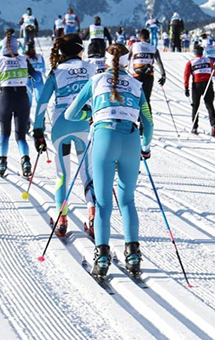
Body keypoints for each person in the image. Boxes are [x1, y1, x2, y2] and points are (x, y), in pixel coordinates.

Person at [65, 44, 153, 278]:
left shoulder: (95, 81)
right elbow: (148, 121)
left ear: (105, 60)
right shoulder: (137, 84)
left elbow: (70, 114)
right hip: (131, 139)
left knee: (103, 202)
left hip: (104, 137)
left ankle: (102, 256)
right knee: (127, 200)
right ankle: (133, 255)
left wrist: (91, 115)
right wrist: (145, 148)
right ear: (127, 62)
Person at [33, 34, 95, 237]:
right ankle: (93, 218)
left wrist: (38, 130)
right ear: (79, 49)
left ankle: (62, 220)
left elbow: (42, 103)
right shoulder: (92, 68)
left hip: (60, 126)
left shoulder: (55, 71)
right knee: (87, 174)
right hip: (84, 124)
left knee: (62, 175)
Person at [0, 29, 42, 178]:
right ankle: (26, 163)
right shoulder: (24, 60)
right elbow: (36, 77)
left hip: (5, 97)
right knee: (21, 136)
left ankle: (2, 164)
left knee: (5, 133)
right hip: (22, 97)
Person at [184, 45, 215, 136]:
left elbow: (186, 75)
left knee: (196, 106)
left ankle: (194, 127)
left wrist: (186, 87)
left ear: (194, 53)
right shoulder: (208, 60)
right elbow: (213, 73)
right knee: (209, 105)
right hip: (207, 83)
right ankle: (213, 126)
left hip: (197, 84)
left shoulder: (191, 62)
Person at [129, 29, 166, 105]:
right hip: (149, 75)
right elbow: (159, 63)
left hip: (137, 75)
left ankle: (137, 116)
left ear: (140, 38)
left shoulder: (134, 46)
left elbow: (127, 60)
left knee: (136, 99)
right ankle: (147, 116)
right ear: (149, 38)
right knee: (146, 99)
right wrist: (163, 75)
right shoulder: (153, 48)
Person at [24, 40, 46, 111]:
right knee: (39, 99)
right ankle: (41, 116)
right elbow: (43, 69)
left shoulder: (24, 58)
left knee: (29, 100)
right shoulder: (39, 56)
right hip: (37, 78)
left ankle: (27, 118)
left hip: (28, 78)